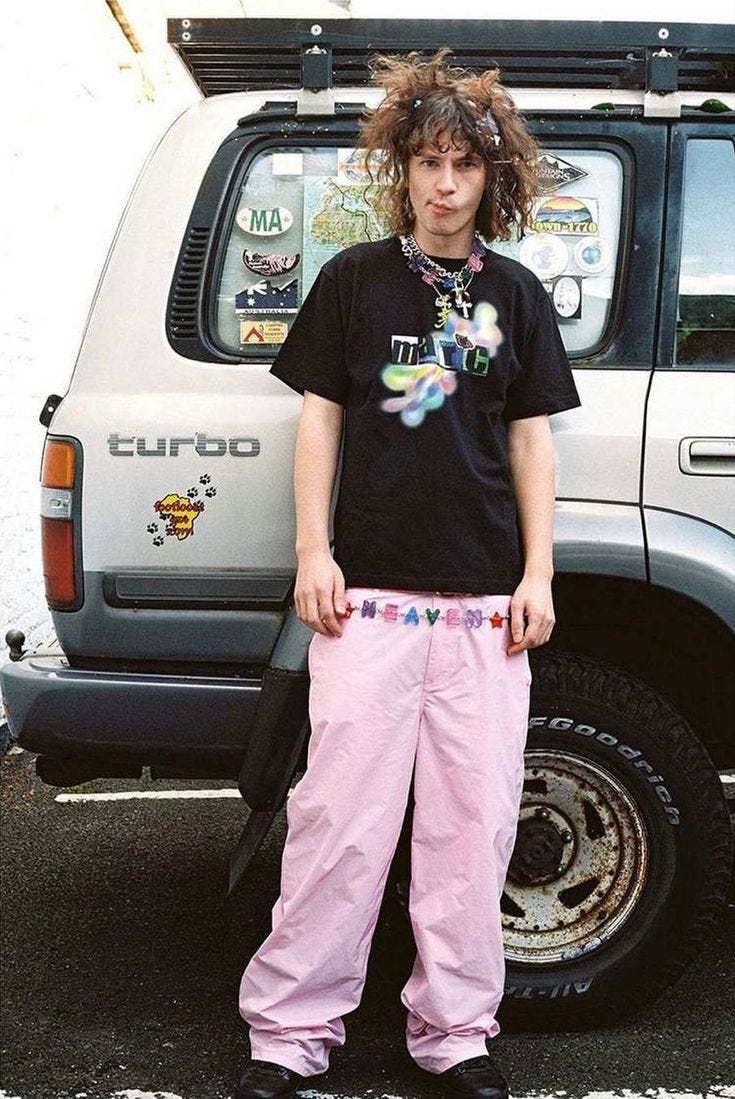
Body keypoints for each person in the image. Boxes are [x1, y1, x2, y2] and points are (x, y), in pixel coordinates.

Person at [235, 48, 582, 1099]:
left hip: (484, 611)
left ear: (490, 176)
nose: (444, 183)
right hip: (368, 606)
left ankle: (455, 1032)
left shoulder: (515, 293)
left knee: (470, 834)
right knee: (337, 828)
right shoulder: (353, 280)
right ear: (403, 169)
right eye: (428, 162)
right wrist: (313, 552)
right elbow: (320, 421)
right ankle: (290, 1033)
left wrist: (538, 573)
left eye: (463, 165)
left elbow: (530, 440)